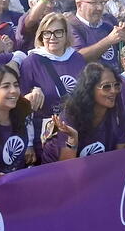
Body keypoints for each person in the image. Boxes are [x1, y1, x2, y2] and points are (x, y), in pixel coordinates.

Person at [42, 62, 125, 162]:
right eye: (106, 87)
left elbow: (121, 159)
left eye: (116, 85)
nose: (113, 91)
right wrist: (73, 139)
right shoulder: (71, 115)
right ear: (90, 89)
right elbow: (66, 168)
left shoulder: (116, 114)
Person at [20, 13, 88, 151]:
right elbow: (23, 109)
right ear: (41, 36)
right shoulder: (31, 62)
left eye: (58, 32)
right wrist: (29, 145)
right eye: (47, 33)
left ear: (66, 34)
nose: (52, 37)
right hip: (46, 138)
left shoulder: (77, 59)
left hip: (76, 131)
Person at [68, 0, 125, 69]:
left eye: (102, 2)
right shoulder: (71, 26)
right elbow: (79, 57)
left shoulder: (108, 20)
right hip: (92, 80)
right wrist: (109, 40)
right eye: (94, 3)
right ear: (79, 5)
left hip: (116, 78)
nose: (100, 8)